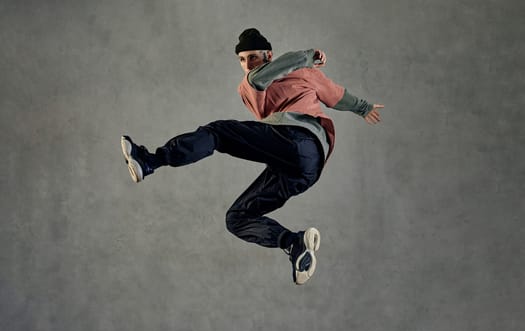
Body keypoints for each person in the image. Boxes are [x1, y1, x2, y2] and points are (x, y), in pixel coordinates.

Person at [121, 28, 383, 285]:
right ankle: (294, 244)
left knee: (218, 132)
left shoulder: (305, 72)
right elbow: (266, 76)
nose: (247, 65)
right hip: (304, 168)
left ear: (268, 55)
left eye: (253, 58)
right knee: (237, 218)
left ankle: (151, 161)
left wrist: (363, 107)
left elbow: (337, 95)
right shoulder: (250, 82)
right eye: (242, 60)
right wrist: (307, 57)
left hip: (299, 141)